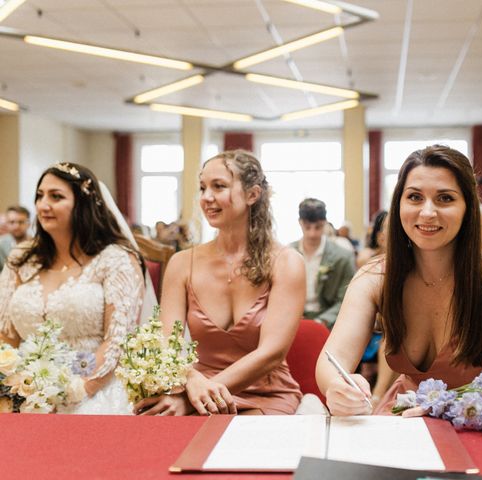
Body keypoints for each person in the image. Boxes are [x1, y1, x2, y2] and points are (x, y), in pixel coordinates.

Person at [316, 146, 482, 479]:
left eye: (445, 199)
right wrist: (337, 387)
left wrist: (445, 406)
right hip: (410, 425)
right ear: (399, 205)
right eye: (415, 197)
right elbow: (331, 359)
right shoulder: (375, 277)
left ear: (468, 209)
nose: (428, 212)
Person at [135, 150, 305, 416]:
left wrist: (199, 397)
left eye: (219, 187)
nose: (206, 197)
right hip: (196, 389)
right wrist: (191, 384)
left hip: (265, 394)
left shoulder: (286, 262)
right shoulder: (182, 263)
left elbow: (271, 352)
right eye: (203, 188)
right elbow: (169, 344)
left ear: (252, 195)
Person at [0, 162, 148, 414]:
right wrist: (15, 388)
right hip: (25, 392)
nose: (43, 205)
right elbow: (6, 336)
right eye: (40, 196)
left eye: (56, 197)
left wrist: (74, 390)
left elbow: (117, 340)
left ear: (83, 204)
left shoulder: (116, 260)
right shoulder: (20, 258)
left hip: (94, 390)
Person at [290, 198, 355, 330]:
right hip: (293, 320)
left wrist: (322, 321)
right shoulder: (288, 254)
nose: (312, 233)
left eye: (318, 227)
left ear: (325, 223)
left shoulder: (342, 257)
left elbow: (346, 299)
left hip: (329, 323)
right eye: (307, 227)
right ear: (300, 223)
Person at [0, 205, 32, 271]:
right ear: (7, 224)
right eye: (12, 222)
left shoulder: (37, 245)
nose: (16, 226)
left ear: (28, 224)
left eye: (21, 222)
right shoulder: (1, 244)